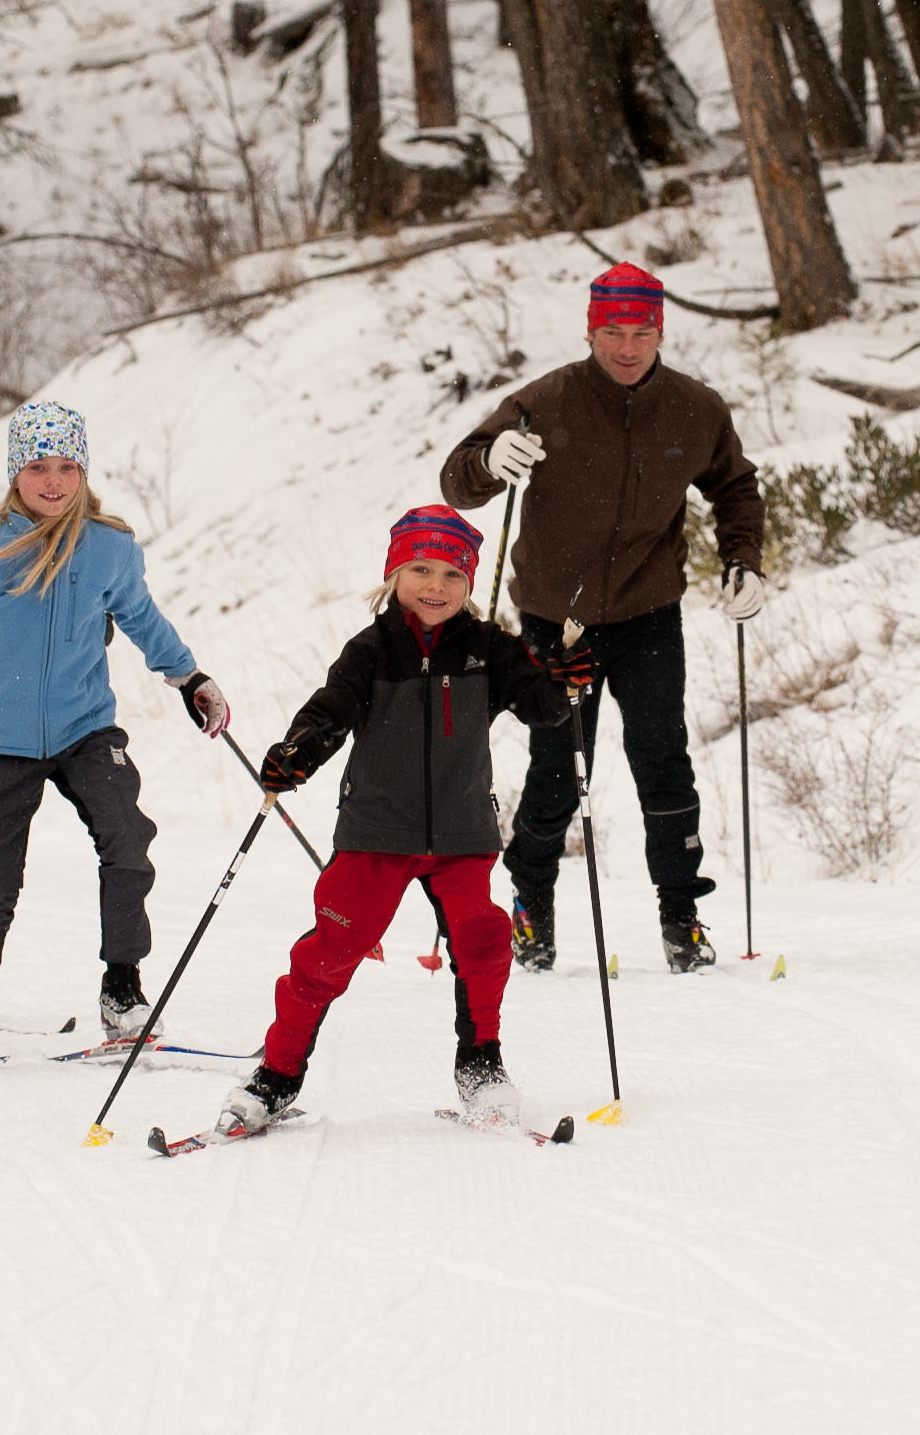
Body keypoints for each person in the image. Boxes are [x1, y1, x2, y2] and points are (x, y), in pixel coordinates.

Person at [216, 507, 584, 1134]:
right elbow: (330, 709)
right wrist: (295, 754)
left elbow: (541, 706)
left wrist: (568, 680)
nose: (434, 586)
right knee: (327, 955)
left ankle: (481, 1067)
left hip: (463, 832)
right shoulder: (371, 649)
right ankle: (277, 1075)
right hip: (377, 832)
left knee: (483, 944)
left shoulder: (489, 648)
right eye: (419, 569)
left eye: (450, 573)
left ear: (469, 583)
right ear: (393, 574)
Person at [442, 262, 767, 973]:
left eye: (642, 332)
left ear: (661, 331)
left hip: (651, 611)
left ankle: (682, 918)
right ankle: (532, 900)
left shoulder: (694, 406)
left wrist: (744, 559)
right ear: (591, 330)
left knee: (663, 762)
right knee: (557, 770)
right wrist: (492, 458)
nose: (627, 347)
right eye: (613, 332)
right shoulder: (543, 401)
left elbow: (736, 488)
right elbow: (458, 479)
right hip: (555, 618)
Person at [0, 402, 229, 1071]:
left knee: (129, 844)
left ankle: (122, 987)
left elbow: (142, 618)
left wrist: (190, 677)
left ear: (81, 470)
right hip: (1, 741)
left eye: (66, 467)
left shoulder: (109, 547)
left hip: (87, 729)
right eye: (37, 467)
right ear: (14, 474)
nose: (52, 482)